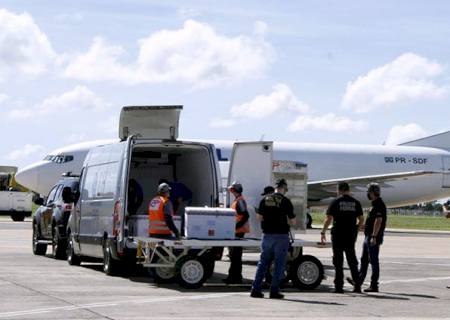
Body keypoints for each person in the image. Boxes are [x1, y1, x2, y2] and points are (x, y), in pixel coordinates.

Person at [251, 178, 296, 299]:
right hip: (281, 236)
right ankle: (274, 291)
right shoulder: (286, 201)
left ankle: (256, 289)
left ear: (275, 188)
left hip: (267, 235)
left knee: (263, 262)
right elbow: (293, 221)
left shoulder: (264, 199)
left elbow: (259, 217)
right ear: (284, 189)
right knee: (279, 264)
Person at [321, 182, 364, 293]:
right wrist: (356, 230)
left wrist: (323, 232)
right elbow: (361, 220)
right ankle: (357, 285)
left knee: (338, 261)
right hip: (350, 235)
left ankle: (339, 286)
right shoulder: (356, 203)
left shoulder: (335, 202)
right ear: (348, 190)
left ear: (339, 190)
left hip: (338, 234)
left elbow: (328, 219)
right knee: (352, 260)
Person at [351, 182, 387, 293]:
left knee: (373, 261)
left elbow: (378, 221)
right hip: (369, 236)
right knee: (364, 260)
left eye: (368, 192)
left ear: (372, 192)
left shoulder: (379, 205)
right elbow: (372, 221)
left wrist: (374, 236)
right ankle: (358, 281)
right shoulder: (374, 204)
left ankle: (374, 285)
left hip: (373, 237)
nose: (367, 193)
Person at [223, 181, 250, 284]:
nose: (231, 191)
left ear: (235, 190)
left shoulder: (240, 201)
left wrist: (236, 226)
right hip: (236, 231)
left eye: (232, 189)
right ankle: (232, 276)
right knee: (234, 255)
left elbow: (246, 215)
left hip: (239, 232)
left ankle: (236, 277)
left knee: (236, 256)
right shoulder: (237, 200)